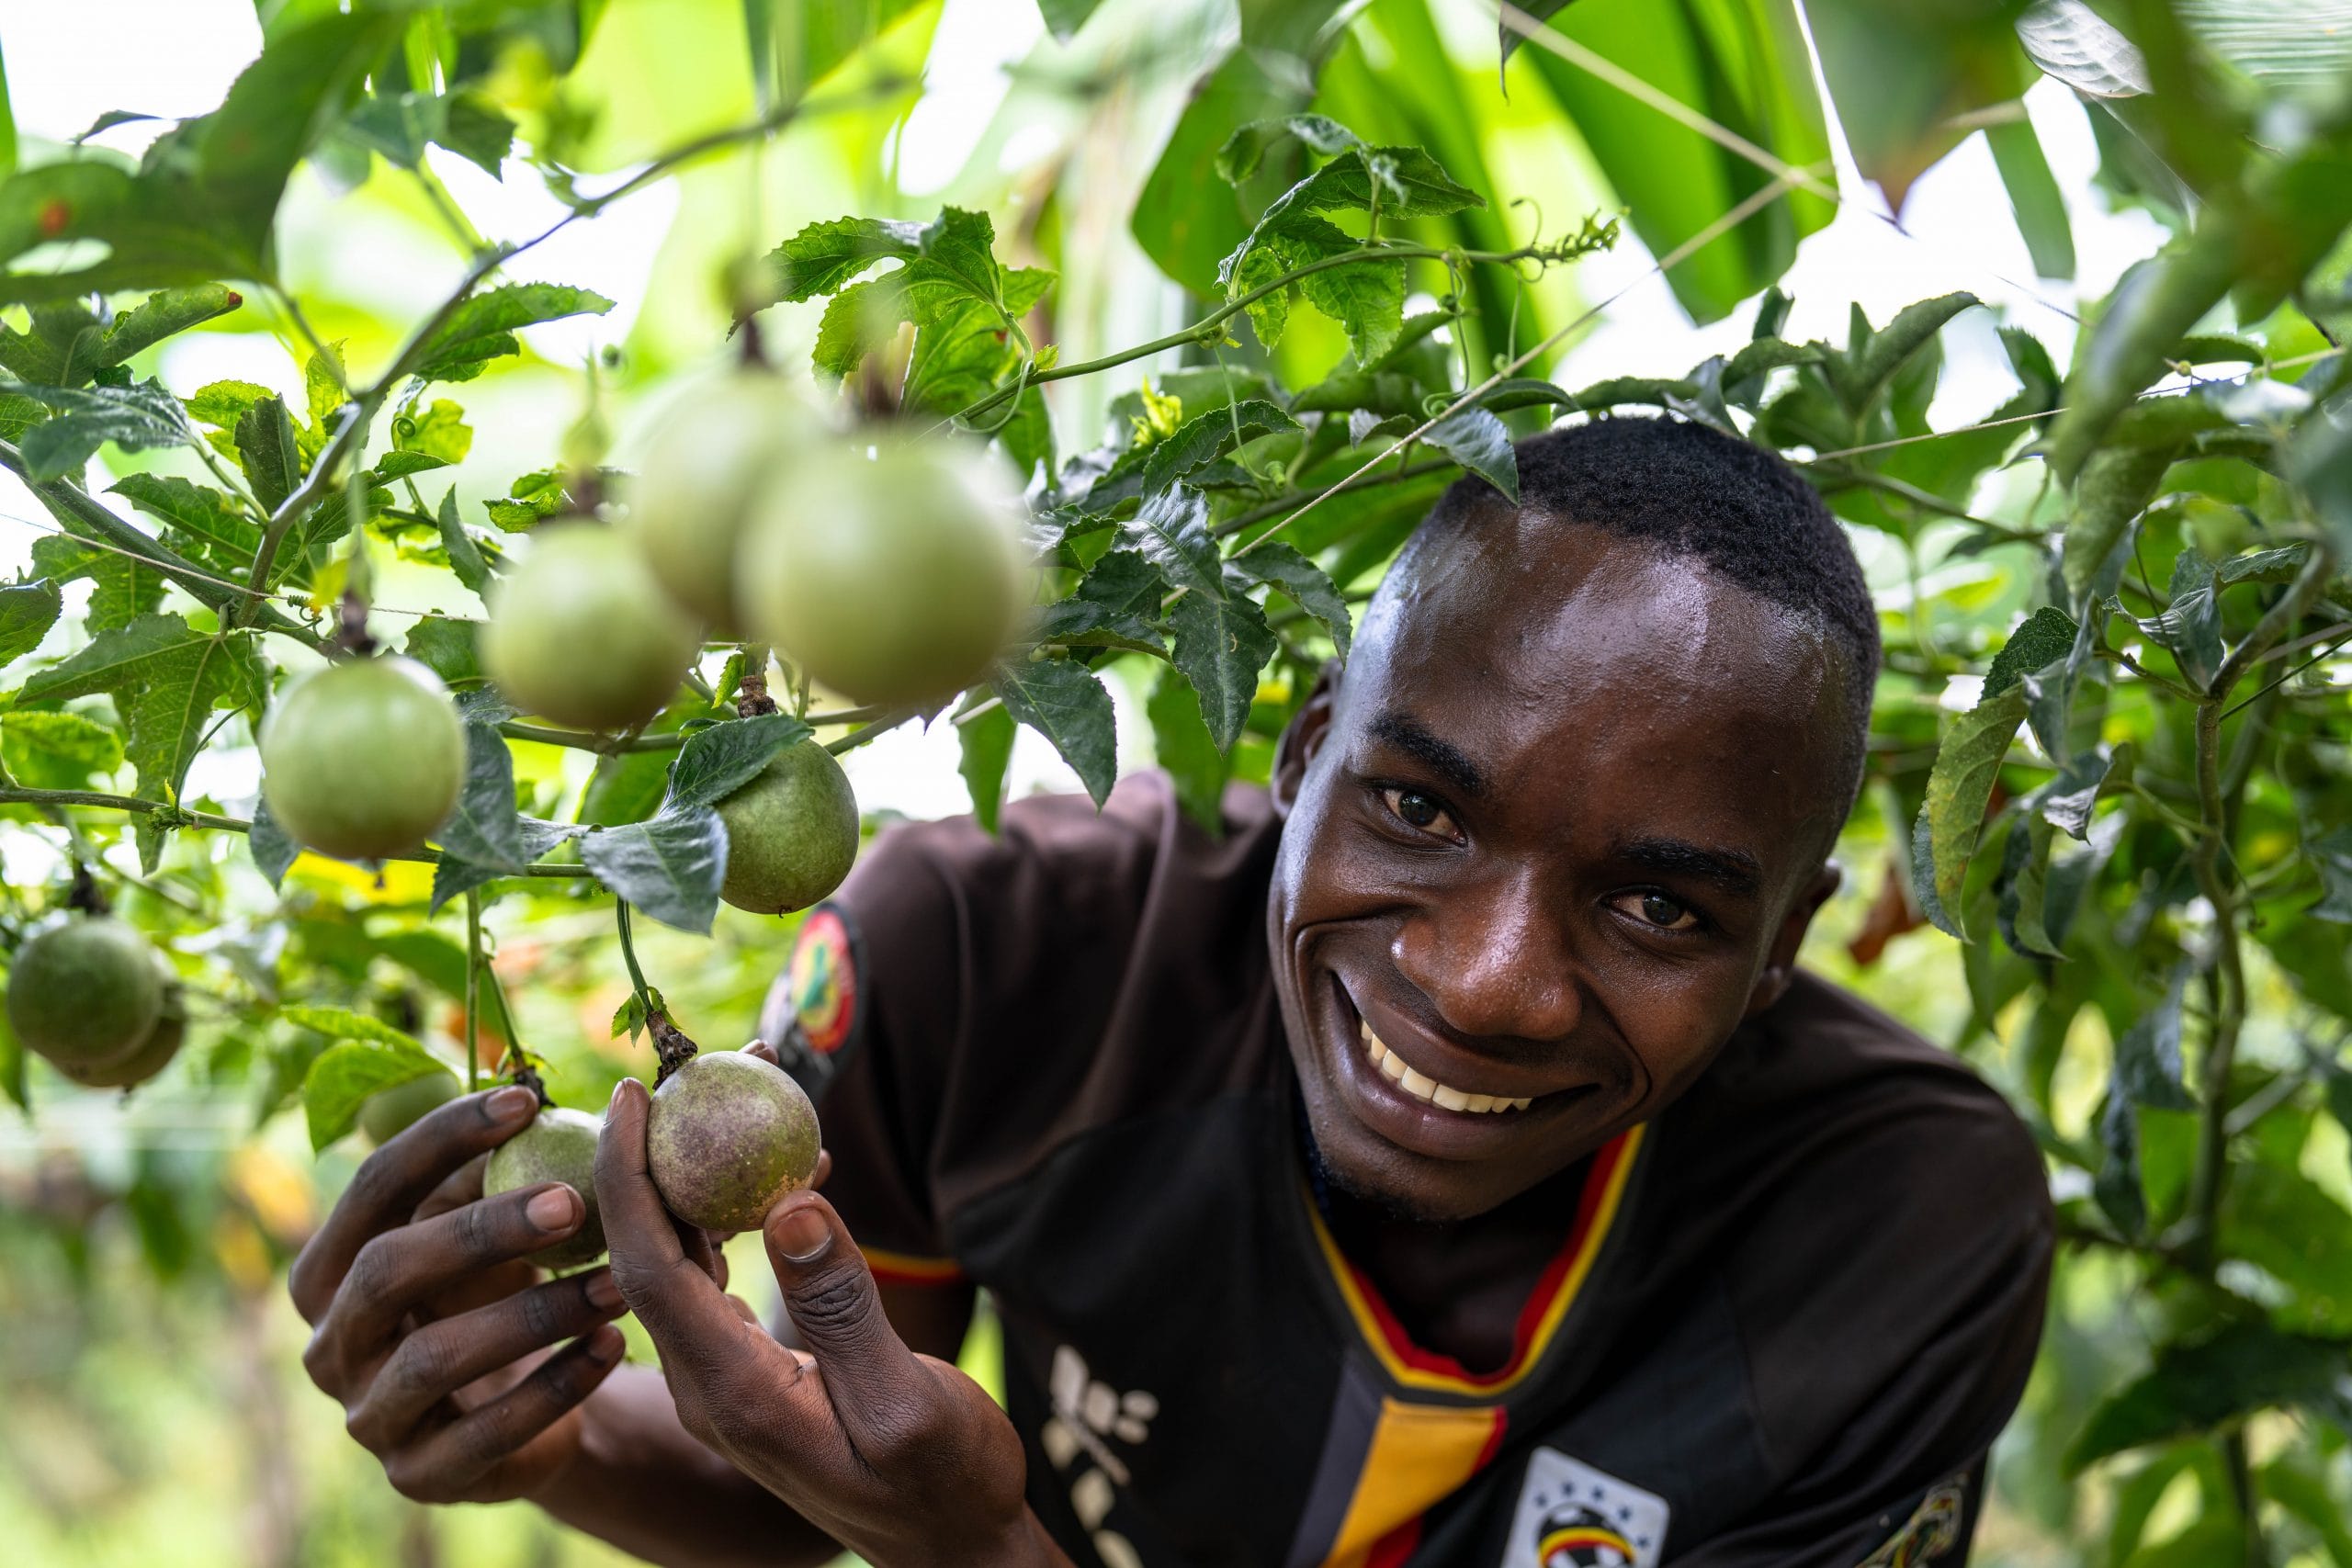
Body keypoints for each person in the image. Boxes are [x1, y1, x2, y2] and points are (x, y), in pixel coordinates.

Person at [289, 417, 2052, 1568]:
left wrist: (982, 1555)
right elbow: (810, 1484)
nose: (1487, 985)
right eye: (1420, 812)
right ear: (1303, 755)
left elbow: (930, 1524)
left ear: (1784, 946)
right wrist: (526, 1432)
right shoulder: (994, 957)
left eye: (1659, 906)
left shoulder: (1898, 1224)